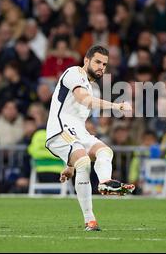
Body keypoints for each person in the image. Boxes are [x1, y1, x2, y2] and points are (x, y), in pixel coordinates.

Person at [45, 45, 135, 231]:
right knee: (84, 162)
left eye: (104, 64)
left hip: (76, 132)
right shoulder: (74, 73)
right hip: (59, 129)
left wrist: (70, 165)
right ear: (86, 60)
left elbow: (79, 117)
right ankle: (90, 219)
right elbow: (83, 99)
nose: (101, 67)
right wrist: (117, 107)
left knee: (104, 151)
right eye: (97, 62)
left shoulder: (93, 87)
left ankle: (104, 183)